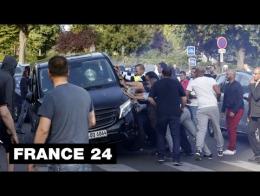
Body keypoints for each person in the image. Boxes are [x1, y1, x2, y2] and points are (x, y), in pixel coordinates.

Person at [28, 56, 96, 172]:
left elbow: (43, 131)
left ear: (49, 72)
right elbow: (92, 122)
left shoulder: (50, 97)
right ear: (68, 71)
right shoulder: (84, 93)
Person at [148, 66, 187, 166]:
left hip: (161, 112)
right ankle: (176, 159)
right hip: (175, 112)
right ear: (171, 74)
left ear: (162, 74)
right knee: (175, 135)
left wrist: (157, 106)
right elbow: (184, 98)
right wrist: (182, 107)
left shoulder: (157, 84)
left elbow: (150, 99)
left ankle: (161, 157)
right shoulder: (176, 83)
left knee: (161, 134)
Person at [186, 67, 224, 161]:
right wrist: (217, 99)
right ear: (204, 72)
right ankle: (220, 148)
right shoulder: (211, 79)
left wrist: (189, 98)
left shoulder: (193, 82)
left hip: (201, 107)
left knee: (201, 130)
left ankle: (198, 149)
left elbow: (186, 93)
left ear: (197, 73)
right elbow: (218, 92)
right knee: (216, 127)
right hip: (212, 106)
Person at [0, 55, 18, 171]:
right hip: (2, 120)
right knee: (11, 147)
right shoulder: (8, 78)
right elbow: (8, 105)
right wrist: (11, 129)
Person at [221, 70, 244, 155]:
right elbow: (225, 99)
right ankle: (231, 147)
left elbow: (240, 100)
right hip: (229, 109)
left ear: (233, 75)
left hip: (237, 110)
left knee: (232, 128)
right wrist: (223, 110)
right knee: (229, 128)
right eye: (226, 74)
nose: (226, 75)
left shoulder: (238, 86)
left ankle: (232, 149)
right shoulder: (227, 85)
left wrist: (234, 111)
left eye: (228, 74)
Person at [247, 67, 260, 163]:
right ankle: (257, 153)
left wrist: (251, 85)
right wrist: (249, 114)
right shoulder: (255, 83)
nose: (253, 75)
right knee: (250, 132)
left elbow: (256, 96)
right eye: (253, 73)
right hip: (254, 114)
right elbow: (251, 99)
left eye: (255, 73)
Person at [16, 67, 31, 134]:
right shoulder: (23, 79)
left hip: (26, 99)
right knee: (23, 115)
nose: (28, 73)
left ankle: (19, 128)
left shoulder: (25, 79)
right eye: (27, 72)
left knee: (28, 114)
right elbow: (25, 90)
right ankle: (18, 128)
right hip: (25, 99)